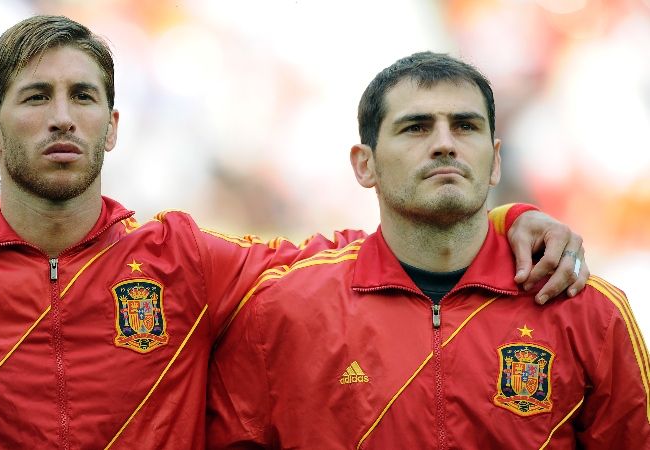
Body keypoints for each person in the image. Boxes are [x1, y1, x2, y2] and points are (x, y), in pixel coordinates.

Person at [0, 16, 586, 449]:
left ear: (113, 126)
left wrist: (502, 218)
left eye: (84, 97)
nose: (63, 115)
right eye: (36, 97)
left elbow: (353, 254)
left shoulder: (184, 259)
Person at [207, 52, 650, 449]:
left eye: (466, 126)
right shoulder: (282, 311)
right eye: (416, 127)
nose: (445, 143)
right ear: (365, 164)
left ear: (494, 161)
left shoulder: (588, 310)